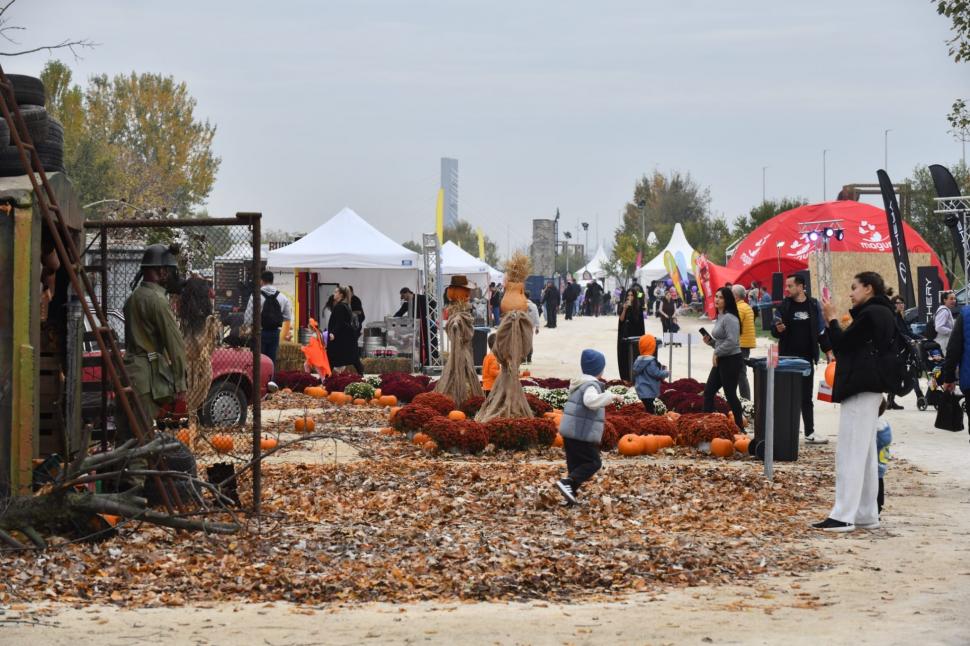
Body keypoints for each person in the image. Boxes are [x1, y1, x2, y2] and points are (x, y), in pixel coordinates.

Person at [813, 271, 896, 532]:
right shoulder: (885, 312)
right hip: (872, 387)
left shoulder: (871, 314)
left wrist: (833, 318)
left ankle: (843, 514)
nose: (850, 293)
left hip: (860, 386)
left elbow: (842, 344)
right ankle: (865, 513)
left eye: (854, 288)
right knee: (866, 453)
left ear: (868, 288)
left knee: (849, 451)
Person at [118, 244, 187, 489]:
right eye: (168, 270)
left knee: (125, 437)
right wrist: (181, 382)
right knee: (142, 438)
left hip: (129, 373)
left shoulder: (134, 297)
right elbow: (175, 345)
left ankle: (120, 491)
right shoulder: (158, 301)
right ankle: (134, 498)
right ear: (159, 271)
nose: (171, 275)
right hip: (146, 378)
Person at [554, 349, 624, 505]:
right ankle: (567, 483)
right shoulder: (591, 385)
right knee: (594, 463)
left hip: (571, 433)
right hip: (580, 434)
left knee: (575, 466)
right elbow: (590, 401)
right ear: (598, 369)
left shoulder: (580, 383)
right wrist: (611, 396)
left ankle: (569, 495)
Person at [770, 274, 834, 444]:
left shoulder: (813, 305)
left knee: (806, 397)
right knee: (785, 396)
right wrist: (778, 329)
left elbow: (821, 330)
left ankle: (809, 433)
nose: (787, 289)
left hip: (806, 360)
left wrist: (828, 351)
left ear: (800, 287)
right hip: (787, 360)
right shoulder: (784, 306)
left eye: (790, 286)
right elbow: (774, 327)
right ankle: (783, 432)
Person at [702, 287, 745, 429]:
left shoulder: (730, 318)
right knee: (708, 391)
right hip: (721, 359)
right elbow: (721, 342)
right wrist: (711, 343)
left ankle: (739, 426)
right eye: (716, 296)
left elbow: (733, 341)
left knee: (730, 394)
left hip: (731, 360)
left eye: (720, 297)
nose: (716, 299)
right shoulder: (721, 316)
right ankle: (705, 425)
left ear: (727, 300)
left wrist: (716, 352)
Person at [244, 271, 293, 375]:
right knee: (271, 361)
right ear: (272, 281)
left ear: (261, 281)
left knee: (258, 361)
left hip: (259, 332)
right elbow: (287, 316)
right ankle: (270, 384)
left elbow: (248, 317)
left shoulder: (255, 296)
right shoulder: (282, 297)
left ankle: (257, 384)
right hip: (275, 333)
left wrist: (247, 329)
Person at [887, 296, 924, 409]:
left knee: (900, 374)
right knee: (909, 372)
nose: (902, 305)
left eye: (903, 303)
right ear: (894, 304)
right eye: (899, 303)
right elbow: (898, 333)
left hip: (903, 349)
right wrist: (908, 339)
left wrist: (922, 337)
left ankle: (890, 401)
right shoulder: (892, 317)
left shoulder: (899, 316)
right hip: (897, 351)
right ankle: (920, 397)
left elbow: (907, 332)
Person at [326, 286, 364, 375]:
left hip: (341, 338)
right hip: (346, 337)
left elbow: (339, 322)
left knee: (332, 357)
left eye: (336, 292)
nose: (333, 294)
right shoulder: (345, 306)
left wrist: (333, 333)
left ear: (341, 295)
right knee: (352, 358)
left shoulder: (340, 307)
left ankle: (325, 377)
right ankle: (325, 376)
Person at [732, 284, 757, 400]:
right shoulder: (746, 306)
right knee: (739, 373)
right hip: (745, 344)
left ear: (735, 296)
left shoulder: (739, 308)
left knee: (740, 374)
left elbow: (734, 326)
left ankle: (745, 400)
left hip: (739, 344)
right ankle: (741, 399)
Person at [632, 334, 668, 413]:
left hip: (641, 390)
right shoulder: (650, 361)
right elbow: (656, 374)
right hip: (649, 391)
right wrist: (666, 373)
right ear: (652, 347)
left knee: (648, 408)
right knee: (650, 410)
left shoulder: (639, 360)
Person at [617, 288, 646, 381]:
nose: (630, 297)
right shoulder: (623, 306)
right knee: (624, 357)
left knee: (634, 357)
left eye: (632, 295)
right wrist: (625, 309)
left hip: (635, 336)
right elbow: (621, 320)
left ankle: (634, 378)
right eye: (628, 295)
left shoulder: (639, 307)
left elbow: (640, 324)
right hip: (624, 336)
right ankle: (625, 378)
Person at [875, 398, 892, 515]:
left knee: (875, 482)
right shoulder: (884, 424)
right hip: (883, 455)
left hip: (876, 457)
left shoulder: (874, 426)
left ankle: (876, 507)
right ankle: (879, 506)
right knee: (880, 478)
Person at [934, 291, 957, 356]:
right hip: (943, 343)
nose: (954, 301)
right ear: (945, 300)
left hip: (945, 342)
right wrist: (952, 332)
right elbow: (939, 327)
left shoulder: (946, 310)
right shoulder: (944, 311)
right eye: (951, 299)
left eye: (954, 298)